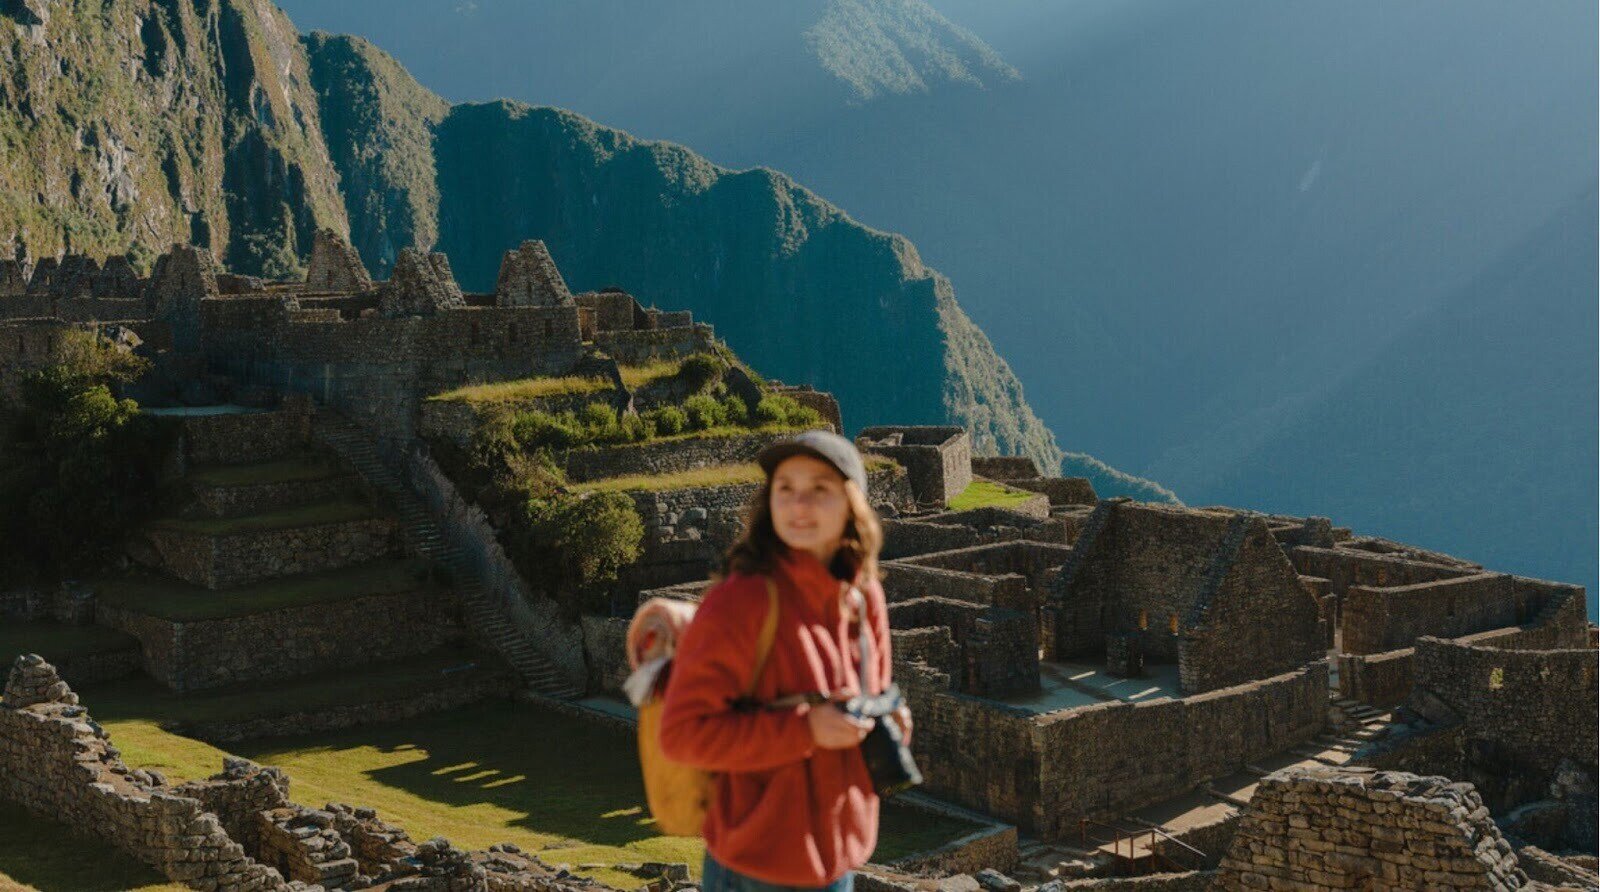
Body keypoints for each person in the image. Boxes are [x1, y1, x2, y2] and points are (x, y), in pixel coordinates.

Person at [657, 430, 912, 892]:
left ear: (852, 502)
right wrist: (805, 730)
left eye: (819, 489)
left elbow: (872, 691)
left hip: (839, 859)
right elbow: (680, 735)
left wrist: (888, 715)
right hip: (758, 866)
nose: (800, 505)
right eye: (786, 488)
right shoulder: (742, 603)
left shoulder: (862, 594)